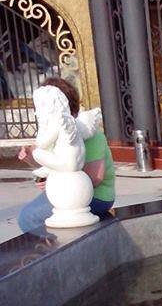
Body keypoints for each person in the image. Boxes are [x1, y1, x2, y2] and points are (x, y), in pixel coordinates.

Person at [17, 76, 115, 233]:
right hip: (64, 190)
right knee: (27, 216)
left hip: (95, 196)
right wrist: (31, 158)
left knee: (30, 217)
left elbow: (95, 178)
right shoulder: (53, 133)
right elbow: (49, 163)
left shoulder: (91, 135)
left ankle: (57, 245)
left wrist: (54, 181)